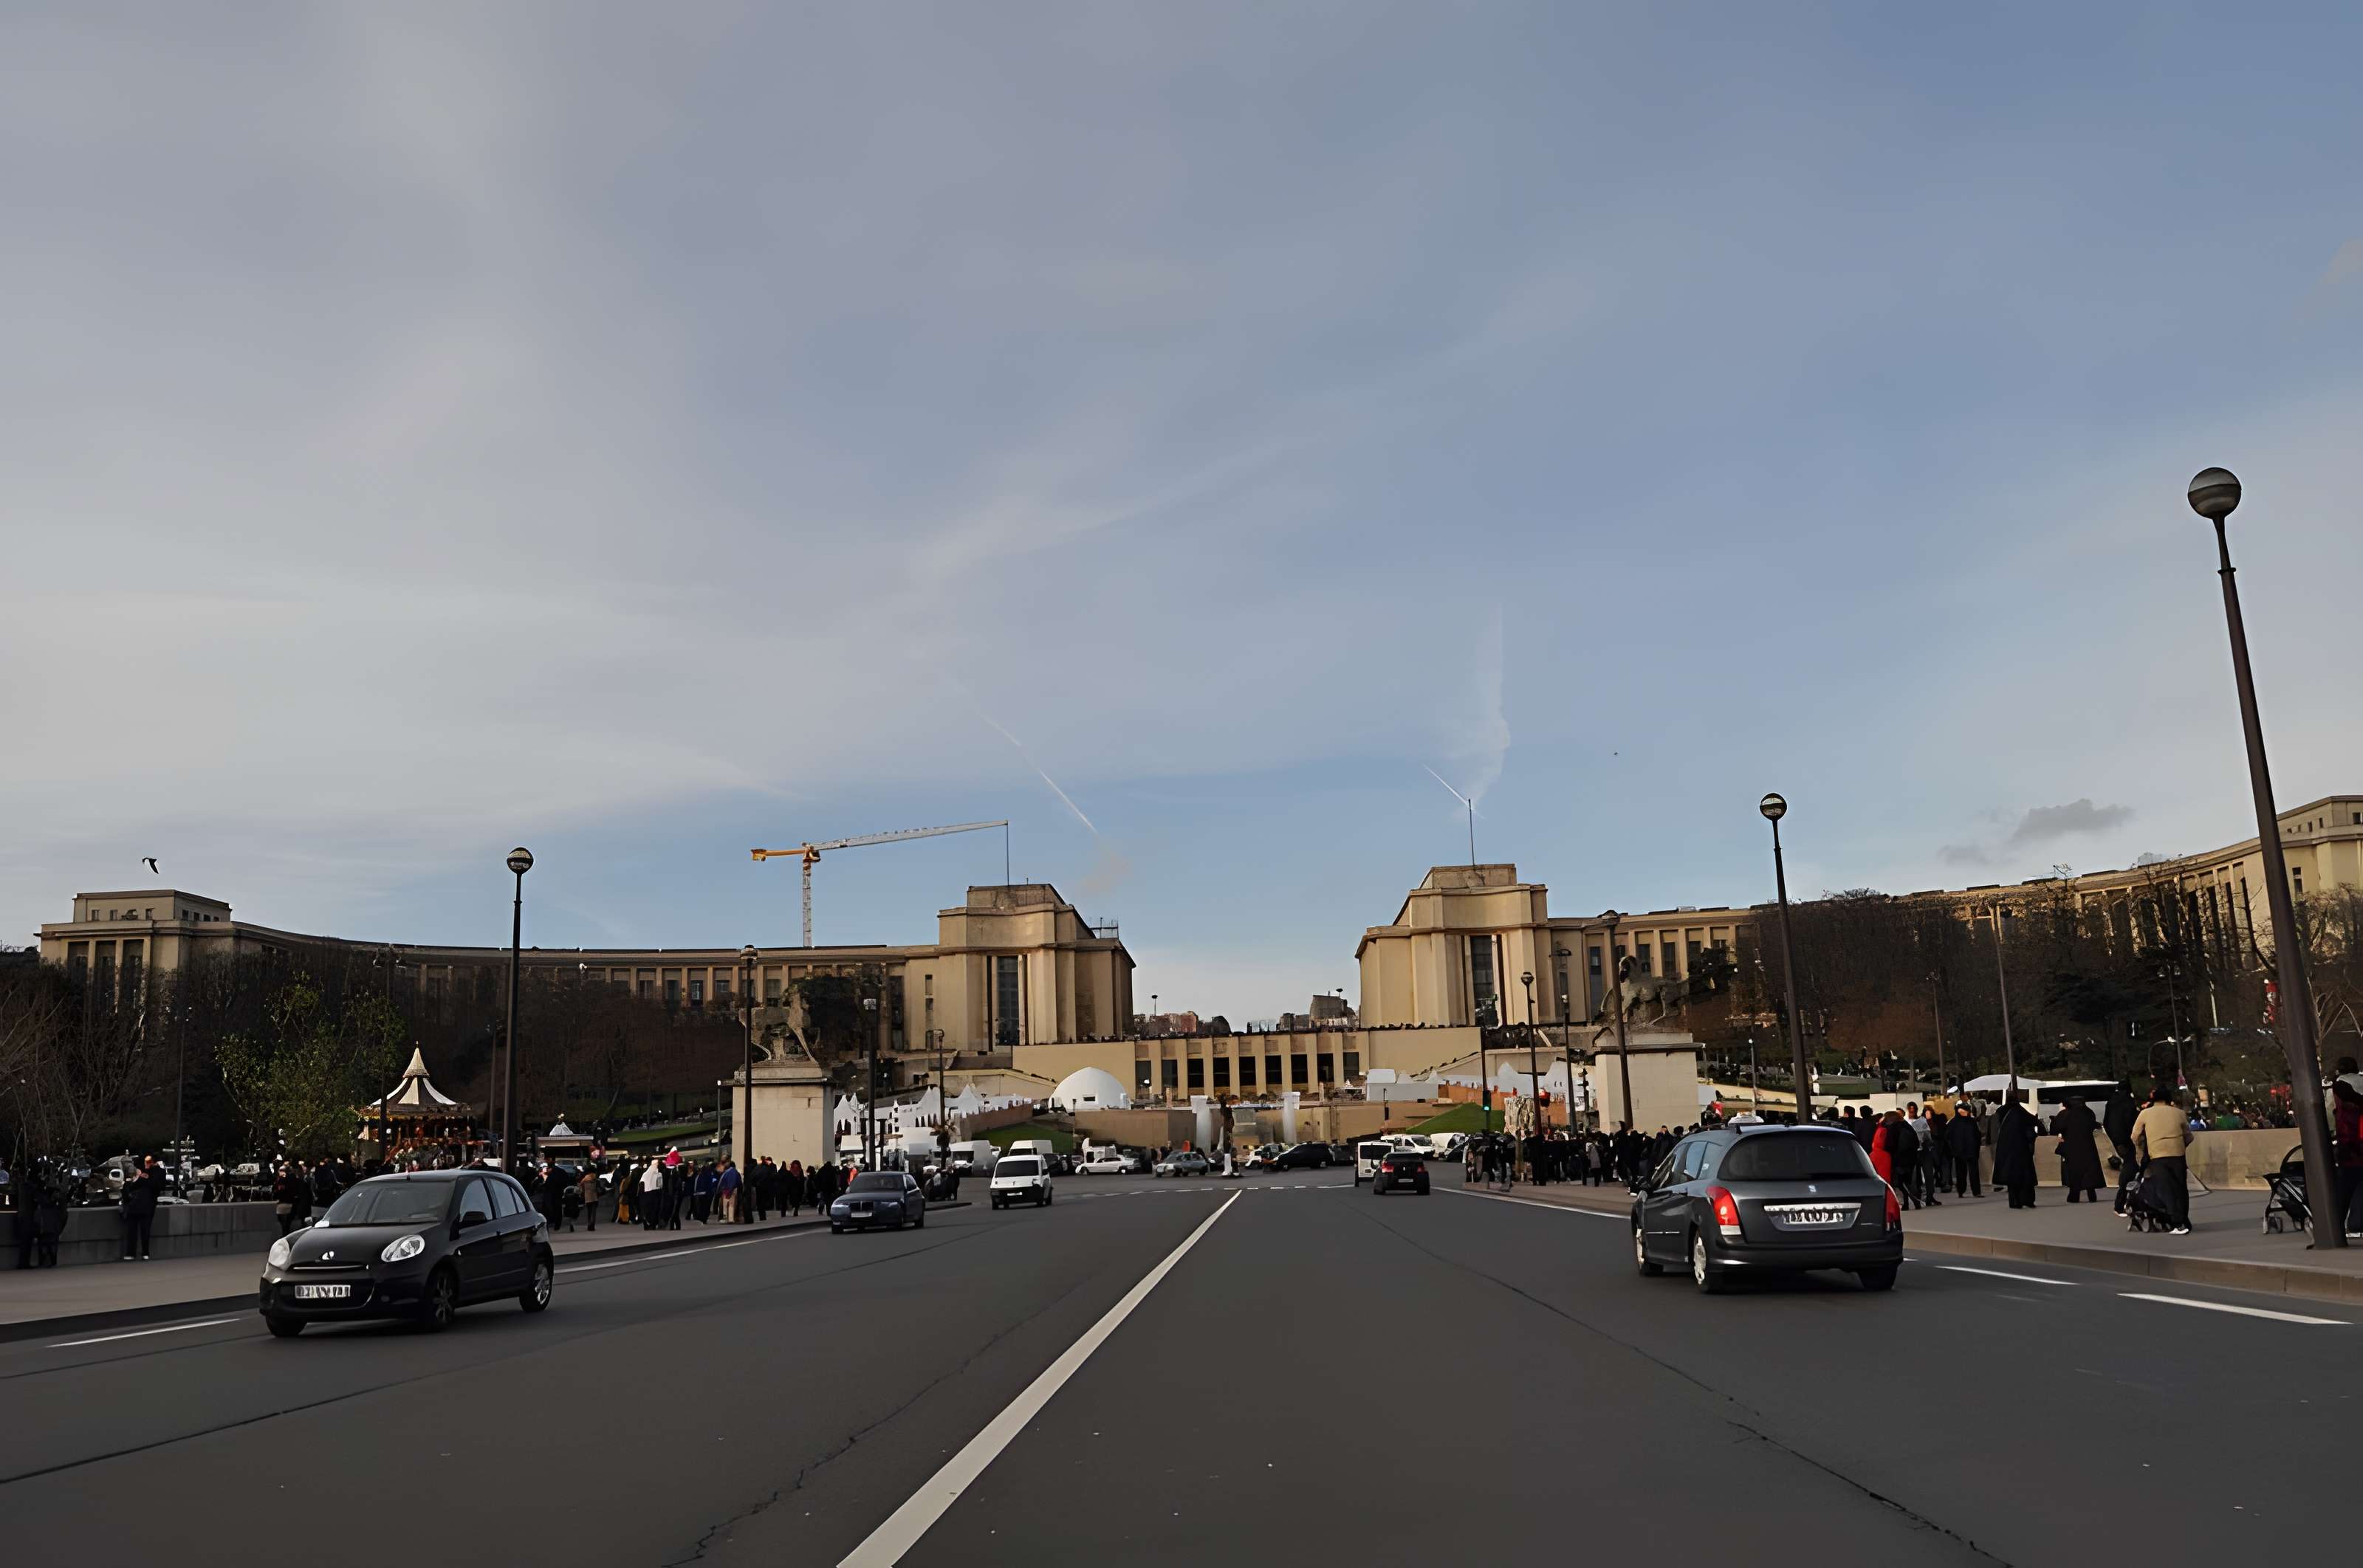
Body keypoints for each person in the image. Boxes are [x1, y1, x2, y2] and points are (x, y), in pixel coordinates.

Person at [2132, 1086, 2193, 1234]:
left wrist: (2143, 1148)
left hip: (2158, 1155)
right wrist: (2181, 1145)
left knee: (2166, 1189)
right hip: (2177, 1155)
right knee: (2180, 1188)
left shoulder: (2145, 1114)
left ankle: (2177, 1223)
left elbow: (2135, 1135)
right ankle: (2185, 1219)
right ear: (2169, 1099)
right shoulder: (2179, 1113)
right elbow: (2189, 1136)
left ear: (2153, 1100)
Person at [1992, 1089, 2040, 1209]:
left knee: (2011, 1176)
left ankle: (2014, 1201)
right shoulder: (2020, 1111)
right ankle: (2027, 1200)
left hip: (2005, 1147)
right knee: (2025, 1175)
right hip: (2021, 1148)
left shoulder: (2000, 1112)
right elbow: (2033, 1121)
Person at [2054, 1095, 2105, 1203]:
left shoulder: (2065, 1114)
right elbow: (2092, 1124)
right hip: (2088, 1145)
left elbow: (2057, 1128)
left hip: (2071, 1146)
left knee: (2074, 1170)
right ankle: (2091, 1194)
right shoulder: (2088, 1112)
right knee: (2089, 1169)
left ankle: (2074, 1195)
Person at [2332, 1079, 2363, 1239]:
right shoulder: (2355, 1109)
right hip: (2354, 1156)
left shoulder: (2348, 1113)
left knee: (2343, 1194)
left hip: (2352, 1157)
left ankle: (2336, 1227)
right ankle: (2355, 1224)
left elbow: (2352, 1136)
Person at [120, 1154, 163, 1261]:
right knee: (143, 1230)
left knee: (135, 1231)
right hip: (144, 1207)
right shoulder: (152, 1177)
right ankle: (144, 1253)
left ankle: (132, 1253)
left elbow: (128, 1190)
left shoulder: (141, 1178)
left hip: (136, 1207)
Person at [1945, 1104, 1983, 1197]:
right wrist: (1953, 1149)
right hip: (1960, 1151)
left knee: (1973, 1172)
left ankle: (1976, 1192)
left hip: (1971, 1150)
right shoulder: (1953, 1123)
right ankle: (1961, 1191)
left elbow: (1977, 1135)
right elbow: (1947, 1138)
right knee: (1961, 1172)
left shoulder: (1971, 1122)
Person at [639, 1157, 666, 1230]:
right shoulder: (659, 1174)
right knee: (654, 1210)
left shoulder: (645, 1174)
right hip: (655, 1194)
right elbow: (660, 1185)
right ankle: (653, 1225)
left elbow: (641, 1185)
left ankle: (647, 1224)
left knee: (647, 1210)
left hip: (646, 1195)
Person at [577, 1164, 602, 1231]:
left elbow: (580, 1186)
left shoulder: (585, 1179)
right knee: (594, 1212)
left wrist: (583, 1192)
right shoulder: (596, 1178)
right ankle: (592, 1225)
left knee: (589, 1211)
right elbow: (599, 1187)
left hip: (587, 1197)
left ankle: (589, 1224)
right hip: (595, 1197)